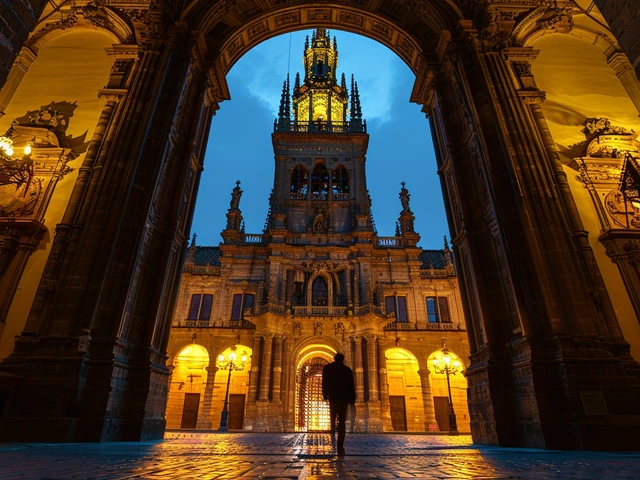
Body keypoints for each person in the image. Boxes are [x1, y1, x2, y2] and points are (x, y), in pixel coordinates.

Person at [322, 352, 356, 455]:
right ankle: (340, 447)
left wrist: (325, 395)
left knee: (332, 417)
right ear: (343, 359)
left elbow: (324, 382)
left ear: (334, 358)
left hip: (333, 397)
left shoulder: (327, 368)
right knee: (342, 422)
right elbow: (351, 385)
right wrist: (352, 399)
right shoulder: (347, 370)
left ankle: (332, 436)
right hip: (344, 399)